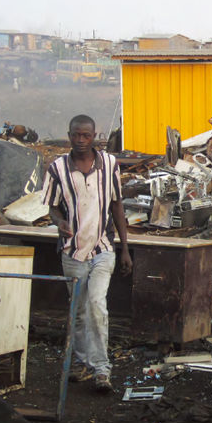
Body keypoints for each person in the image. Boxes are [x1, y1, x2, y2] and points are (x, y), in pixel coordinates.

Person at [42, 114, 132, 392]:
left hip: (104, 249)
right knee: (79, 311)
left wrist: (124, 248)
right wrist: (60, 223)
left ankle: (102, 370)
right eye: (76, 135)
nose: (81, 141)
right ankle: (82, 363)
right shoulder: (57, 169)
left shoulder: (109, 164)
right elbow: (52, 207)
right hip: (72, 252)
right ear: (69, 135)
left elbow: (117, 206)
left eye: (86, 136)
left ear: (95, 136)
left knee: (97, 305)